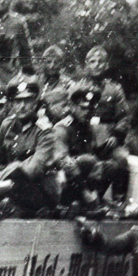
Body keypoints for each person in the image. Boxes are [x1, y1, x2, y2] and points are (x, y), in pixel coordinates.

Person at [0, 76, 58, 218]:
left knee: (16, 167)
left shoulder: (44, 130)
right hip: (8, 187)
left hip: (39, 191)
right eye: (18, 101)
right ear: (11, 104)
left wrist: (10, 184)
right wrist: (0, 178)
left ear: (36, 103)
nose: (22, 106)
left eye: (28, 100)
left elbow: (35, 169)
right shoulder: (7, 125)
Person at [77, 45, 131, 200]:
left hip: (108, 137)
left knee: (121, 159)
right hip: (84, 136)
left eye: (101, 62)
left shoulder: (114, 89)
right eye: (92, 61)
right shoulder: (77, 87)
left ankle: (119, 200)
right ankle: (86, 200)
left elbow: (124, 116)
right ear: (86, 65)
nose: (97, 65)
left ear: (106, 65)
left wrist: (116, 136)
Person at [51, 82, 109, 212]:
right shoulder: (62, 128)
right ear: (72, 106)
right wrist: (85, 190)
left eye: (90, 109)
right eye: (83, 108)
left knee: (110, 166)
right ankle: (79, 201)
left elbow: (94, 154)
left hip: (80, 178)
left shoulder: (87, 128)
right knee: (86, 161)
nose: (87, 112)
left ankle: (93, 201)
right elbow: (62, 160)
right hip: (63, 178)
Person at [38, 45, 73, 123]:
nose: (52, 66)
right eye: (48, 62)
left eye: (56, 62)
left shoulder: (67, 84)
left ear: (61, 64)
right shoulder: (37, 82)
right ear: (43, 63)